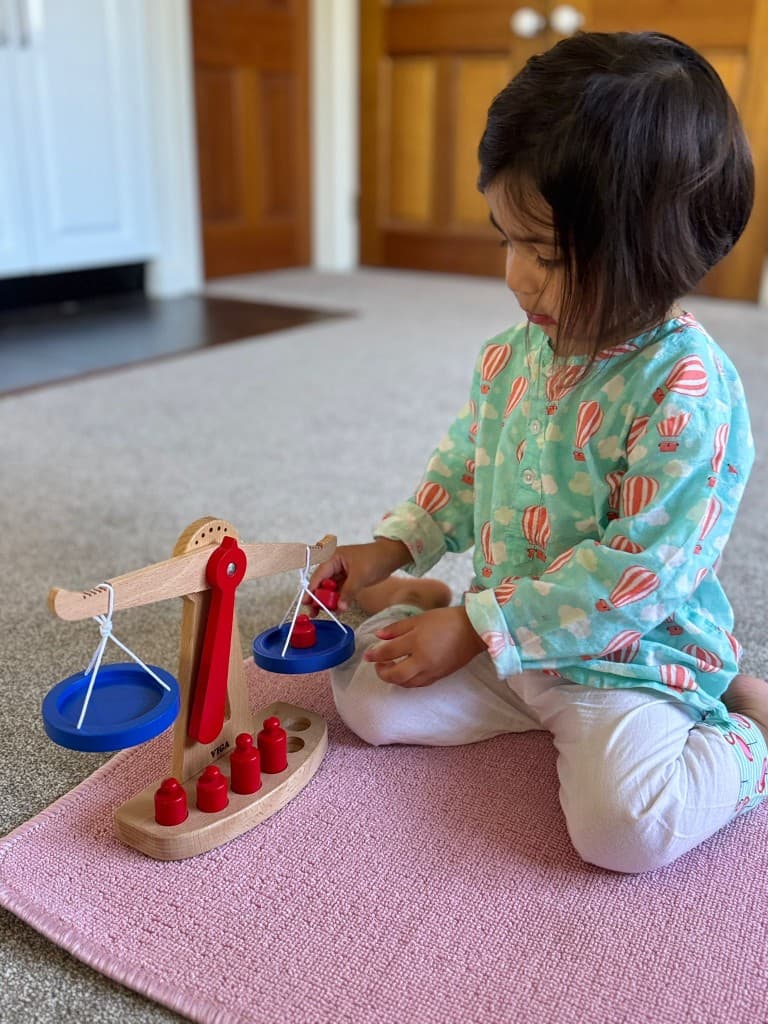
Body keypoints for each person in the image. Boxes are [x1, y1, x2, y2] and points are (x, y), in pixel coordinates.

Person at [307, 31, 768, 873]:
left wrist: (480, 629)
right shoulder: (511, 354)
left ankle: (739, 721)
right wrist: (400, 542)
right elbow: (466, 466)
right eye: (506, 241)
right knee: (367, 701)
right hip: (503, 635)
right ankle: (424, 601)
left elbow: (643, 571)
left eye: (548, 257)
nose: (517, 279)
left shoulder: (687, 390)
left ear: (658, 252)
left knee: (626, 832)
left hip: (626, 657)